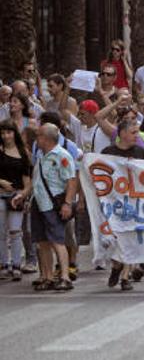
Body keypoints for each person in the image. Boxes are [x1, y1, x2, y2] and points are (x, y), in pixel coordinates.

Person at [101, 119, 144, 290]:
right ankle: (116, 266)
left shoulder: (141, 152)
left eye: (137, 132)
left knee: (130, 238)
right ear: (122, 134)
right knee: (117, 239)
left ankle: (125, 277)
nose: (137, 136)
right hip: (114, 204)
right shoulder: (108, 152)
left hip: (134, 203)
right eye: (133, 132)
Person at [31, 123, 75, 291]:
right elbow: (36, 179)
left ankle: (64, 276)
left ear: (45, 138)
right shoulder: (41, 155)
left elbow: (71, 180)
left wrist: (67, 203)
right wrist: (25, 195)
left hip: (52, 204)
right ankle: (48, 277)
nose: (37, 140)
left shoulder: (62, 156)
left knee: (57, 240)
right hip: (39, 202)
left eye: (39, 136)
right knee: (42, 242)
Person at [0, 120, 31, 282]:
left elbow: (28, 182)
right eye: (3, 133)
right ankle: (4, 264)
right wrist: (2, 182)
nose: (6, 136)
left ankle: (17, 264)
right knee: (1, 232)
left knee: (15, 231)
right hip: (0, 193)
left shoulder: (23, 152)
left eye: (9, 132)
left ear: (14, 133)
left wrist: (23, 195)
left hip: (16, 195)